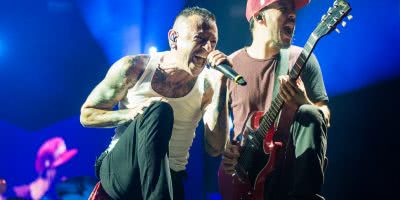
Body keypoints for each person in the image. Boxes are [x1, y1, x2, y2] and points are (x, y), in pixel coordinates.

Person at [80, 6, 230, 200]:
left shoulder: (210, 84)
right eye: (200, 40)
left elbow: (215, 148)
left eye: (213, 42)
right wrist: (130, 114)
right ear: (174, 38)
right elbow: (87, 114)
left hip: (169, 176)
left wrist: (223, 85)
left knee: (160, 112)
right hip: (123, 171)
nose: (208, 48)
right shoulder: (135, 68)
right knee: (158, 109)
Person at [221, 0, 330, 200]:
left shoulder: (302, 59)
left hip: (290, 177)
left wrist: (303, 101)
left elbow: (323, 118)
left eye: (293, 9)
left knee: (310, 112)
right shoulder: (230, 66)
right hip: (246, 179)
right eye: (283, 8)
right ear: (259, 17)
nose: (293, 14)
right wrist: (227, 150)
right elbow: (219, 130)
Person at [13, 137, 78, 200]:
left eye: (67, 168)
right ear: (46, 171)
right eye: (60, 169)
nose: (66, 177)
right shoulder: (16, 195)